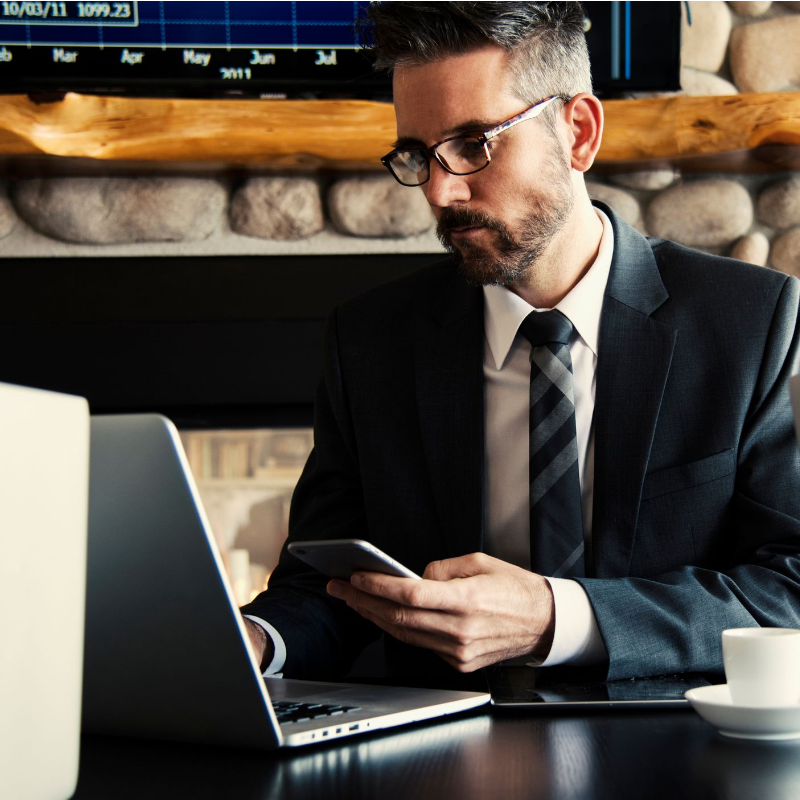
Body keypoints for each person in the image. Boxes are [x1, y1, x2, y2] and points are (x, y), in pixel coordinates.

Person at [240, 1, 800, 685]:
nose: (442, 191)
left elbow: (790, 590)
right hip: (440, 760)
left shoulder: (749, 322)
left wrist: (556, 618)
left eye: (475, 143)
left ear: (580, 132)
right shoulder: (371, 342)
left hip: (672, 752)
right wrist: (257, 642)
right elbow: (326, 587)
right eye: (418, 154)